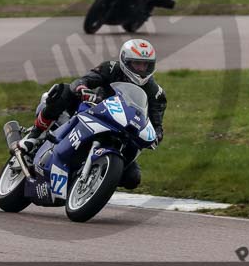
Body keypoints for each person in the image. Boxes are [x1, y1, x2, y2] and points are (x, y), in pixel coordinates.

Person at [18, 39, 166, 190]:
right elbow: (84, 80)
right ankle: (34, 136)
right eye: (137, 64)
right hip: (96, 111)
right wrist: (83, 89)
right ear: (125, 61)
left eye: (145, 65)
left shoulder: (156, 93)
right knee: (65, 90)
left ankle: (94, 179)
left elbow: (157, 124)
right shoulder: (111, 68)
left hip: (124, 131)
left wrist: (156, 135)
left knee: (133, 178)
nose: (141, 69)